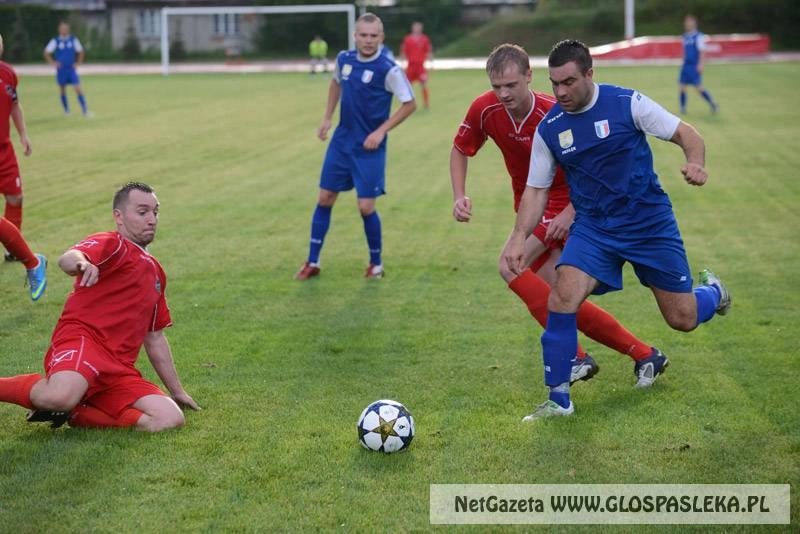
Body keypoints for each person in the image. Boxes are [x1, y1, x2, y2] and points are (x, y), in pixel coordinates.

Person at [502, 39, 731, 421]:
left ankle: (714, 293)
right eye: (555, 83)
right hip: (594, 227)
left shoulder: (626, 103)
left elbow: (687, 134)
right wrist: (516, 239)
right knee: (562, 297)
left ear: (590, 74)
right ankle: (559, 401)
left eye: (569, 82)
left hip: (648, 224)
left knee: (682, 318)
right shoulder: (551, 128)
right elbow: (536, 190)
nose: (561, 91)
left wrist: (696, 163)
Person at [451, 43, 665, 387]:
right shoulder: (485, 109)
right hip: (530, 205)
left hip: (569, 201)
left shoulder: (554, 114)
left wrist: (570, 212)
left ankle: (576, 357)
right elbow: (460, 148)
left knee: (509, 265)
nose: (503, 94)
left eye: (511, 85)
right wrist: (459, 195)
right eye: (497, 86)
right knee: (559, 295)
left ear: (529, 77)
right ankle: (643, 354)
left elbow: (594, 169)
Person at [0, 182, 200, 431]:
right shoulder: (113, 244)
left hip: (118, 369)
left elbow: (155, 337)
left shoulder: (156, 272)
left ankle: (76, 413)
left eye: (155, 212)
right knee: (59, 396)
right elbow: (68, 259)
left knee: (169, 418)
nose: (152, 219)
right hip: (85, 342)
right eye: (142, 212)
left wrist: (177, 391)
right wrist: (82, 264)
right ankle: (63, 399)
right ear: (119, 216)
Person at [294, 13, 416, 280]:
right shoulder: (344, 59)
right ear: (355, 36)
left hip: (369, 148)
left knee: (365, 207)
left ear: (381, 37)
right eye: (363, 35)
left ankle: (376, 265)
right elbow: (335, 83)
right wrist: (327, 117)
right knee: (325, 198)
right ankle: (312, 262)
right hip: (341, 143)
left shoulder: (389, 69)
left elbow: (410, 104)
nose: (368, 40)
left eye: (373, 35)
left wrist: (381, 131)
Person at [0, 33, 47, 300]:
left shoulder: (8, 74)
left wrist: (23, 135)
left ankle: (26, 258)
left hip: (3, 149)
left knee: (15, 198)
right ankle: (31, 261)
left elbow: (15, 106)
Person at [44, 22, 91, 117]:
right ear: (59, 30)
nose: (64, 30)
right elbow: (46, 52)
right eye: (62, 29)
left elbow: (81, 51)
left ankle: (85, 111)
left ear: (68, 30)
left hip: (71, 69)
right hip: (61, 69)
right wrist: (53, 63)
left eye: (65, 29)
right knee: (62, 89)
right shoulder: (56, 40)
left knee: (78, 88)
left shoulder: (73, 39)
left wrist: (78, 63)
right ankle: (66, 111)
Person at [679, 14, 717, 114]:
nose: (687, 24)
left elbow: (702, 51)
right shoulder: (685, 36)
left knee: (699, 88)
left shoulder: (698, 36)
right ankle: (683, 108)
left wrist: (701, 64)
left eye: (689, 22)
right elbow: (685, 52)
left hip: (694, 65)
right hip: (686, 65)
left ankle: (713, 104)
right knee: (682, 87)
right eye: (686, 22)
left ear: (694, 23)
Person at [400, 21, 432, 109]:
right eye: (415, 27)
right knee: (407, 86)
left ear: (421, 29)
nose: (417, 29)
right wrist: (402, 63)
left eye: (419, 28)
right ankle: (407, 103)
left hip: (420, 66)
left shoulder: (424, 39)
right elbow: (403, 51)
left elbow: (428, 50)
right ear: (412, 28)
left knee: (424, 84)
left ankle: (426, 103)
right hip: (411, 66)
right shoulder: (407, 39)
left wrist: (431, 62)